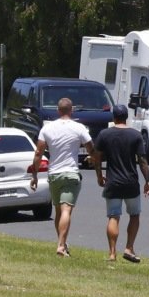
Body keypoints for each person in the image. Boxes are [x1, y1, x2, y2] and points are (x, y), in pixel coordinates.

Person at [29, 96, 94, 258]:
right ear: (72, 110)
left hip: (54, 174)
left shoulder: (47, 128)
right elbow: (91, 148)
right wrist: (93, 158)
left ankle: (62, 244)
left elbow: (38, 153)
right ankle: (60, 245)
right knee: (66, 210)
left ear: (58, 110)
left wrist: (35, 174)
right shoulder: (79, 128)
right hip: (71, 173)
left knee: (58, 211)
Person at [94, 105, 149, 263]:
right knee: (134, 215)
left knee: (114, 216)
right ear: (126, 117)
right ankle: (129, 248)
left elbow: (96, 158)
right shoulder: (136, 135)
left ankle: (112, 253)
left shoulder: (104, 134)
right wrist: (148, 180)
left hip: (112, 181)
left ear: (114, 117)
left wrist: (99, 176)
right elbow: (142, 160)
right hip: (131, 182)